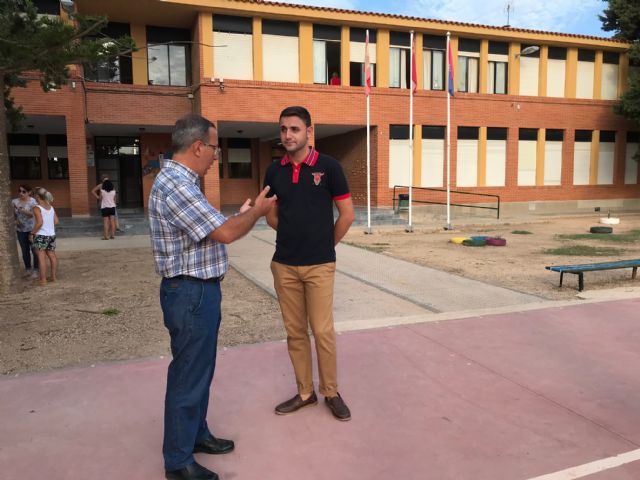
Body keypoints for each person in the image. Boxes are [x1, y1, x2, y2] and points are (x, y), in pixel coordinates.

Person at [148, 113, 276, 480]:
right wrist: (258, 215)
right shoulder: (177, 185)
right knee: (189, 375)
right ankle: (178, 462)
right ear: (198, 146)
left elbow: (209, 229)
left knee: (199, 371)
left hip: (196, 290)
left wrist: (242, 214)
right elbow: (224, 234)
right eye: (214, 149)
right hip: (190, 292)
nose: (216, 157)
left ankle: (195, 435)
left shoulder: (182, 181)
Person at [264, 106, 355, 421]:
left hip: (319, 265)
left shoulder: (329, 167)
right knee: (295, 332)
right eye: (283, 129)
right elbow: (270, 212)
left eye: (294, 129)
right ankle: (305, 392)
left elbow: (347, 214)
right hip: (284, 265)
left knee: (322, 330)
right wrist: (290, 234)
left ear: (309, 132)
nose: (288, 135)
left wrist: (324, 244)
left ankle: (331, 391)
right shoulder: (274, 170)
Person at [29, 187, 59, 286]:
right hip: (51, 235)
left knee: (41, 258)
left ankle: (43, 280)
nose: (33, 197)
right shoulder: (51, 207)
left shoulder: (37, 208)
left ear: (37, 196)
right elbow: (56, 221)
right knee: (52, 256)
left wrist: (32, 233)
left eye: (33, 195)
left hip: (41, 235)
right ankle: (54, 277)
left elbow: (39, 223)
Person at [12, 184, 39, 277]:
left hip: (32, 230)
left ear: (29, 192)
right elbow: (12, 214)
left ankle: (36, 269)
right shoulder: (14, 202)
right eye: (19, 191)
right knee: (24, 250)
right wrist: (15, 220)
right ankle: (28, 268)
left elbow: (32, 214)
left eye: (24, 191)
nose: (21, 193)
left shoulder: (33, 201)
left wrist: (21, 210)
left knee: (35, 250)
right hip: (21, 230)